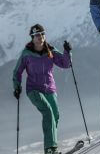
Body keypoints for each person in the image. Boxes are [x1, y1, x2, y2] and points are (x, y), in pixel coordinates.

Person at [13, 24, 72, 154]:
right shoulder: (26, 54)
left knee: (55, 116)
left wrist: (67, 52)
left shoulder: (50, 51)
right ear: (32, 38)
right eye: (37, 35)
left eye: (42, 34)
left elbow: (65, 64)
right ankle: (50, 148)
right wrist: (17, 86)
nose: (40, 37)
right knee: (48, 111)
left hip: (50, 88)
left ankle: (52, 147)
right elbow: (17, 71)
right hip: (34, 89)